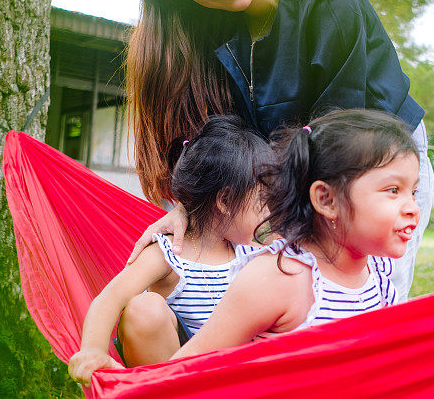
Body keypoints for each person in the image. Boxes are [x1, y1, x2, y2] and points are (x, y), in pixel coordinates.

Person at [124, 0, 434, 300]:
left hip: (375, 164)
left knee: (361, 307)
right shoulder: (216, 38)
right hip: (291, 176)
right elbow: (220, 142)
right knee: (290, 307)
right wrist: (188, 207)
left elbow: (338, 135)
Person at [171, 109, 420, 358]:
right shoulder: (279, 277)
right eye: (393, 189)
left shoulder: (379, 274)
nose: (413, 208)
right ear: (327, 200)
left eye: (414, 192)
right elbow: (188, 367)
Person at [67, 116, 270, 387]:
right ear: (224, 201)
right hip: (177, 374)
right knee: (143, 308)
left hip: (236, 377)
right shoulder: (169, 254)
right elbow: (109, 299)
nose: (269, 212)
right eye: (261, 201)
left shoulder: (253, 254)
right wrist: (92, 350)